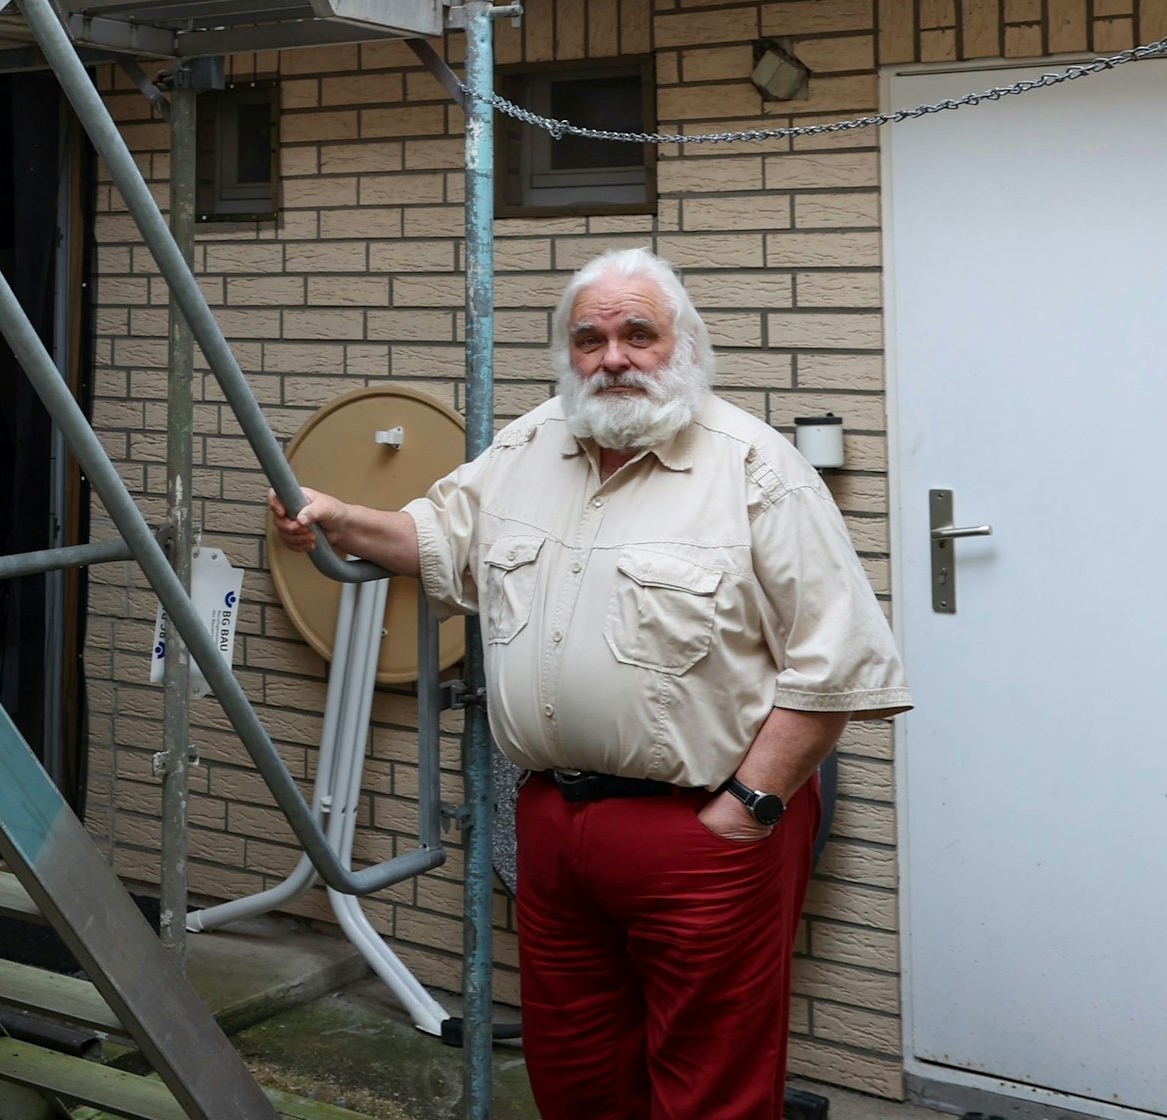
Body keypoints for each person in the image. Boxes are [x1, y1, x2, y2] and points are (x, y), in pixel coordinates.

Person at [269, 245, 910, 1120]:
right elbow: (437, 541)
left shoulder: (753, 468)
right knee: (575, 1078)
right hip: (553, 827)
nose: (612, 357)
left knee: (709, 1091)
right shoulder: (528, 445)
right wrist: (340, 517)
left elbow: (836, 661)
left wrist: (750, 807)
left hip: (702, 833)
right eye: (589, 338)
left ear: (684, 345)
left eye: (637, 334)